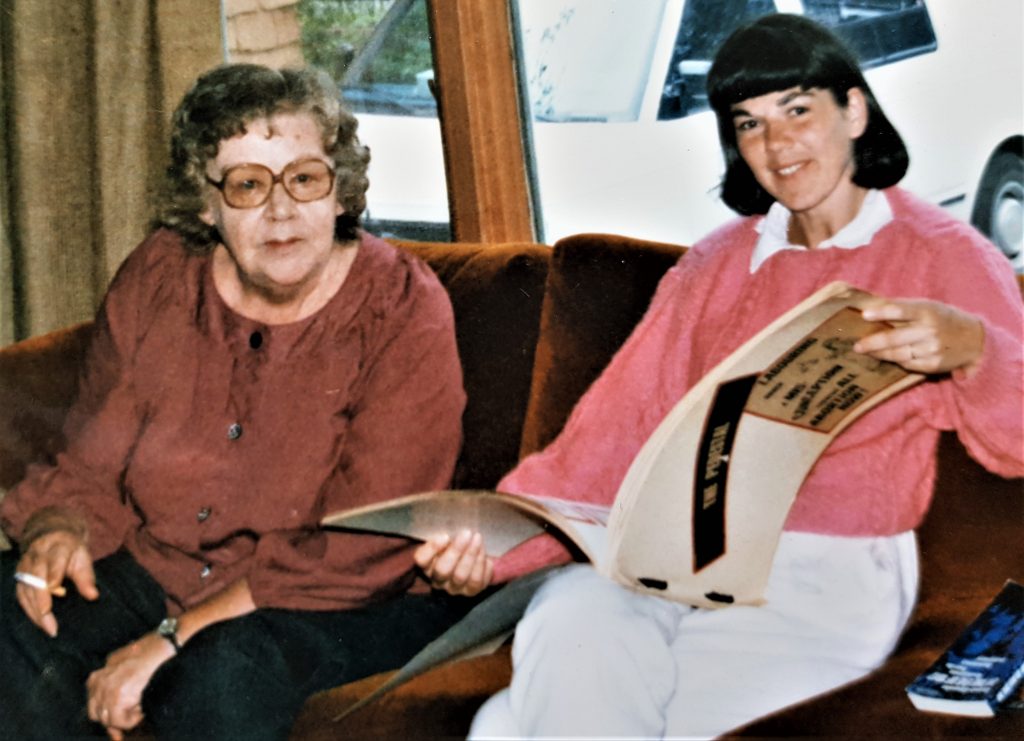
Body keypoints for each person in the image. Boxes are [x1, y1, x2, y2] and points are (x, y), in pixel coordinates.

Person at [415, 13, 1024, 738]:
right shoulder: (714, 264)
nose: (778, 144)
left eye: (798, 109)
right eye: (749, 123)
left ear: (855, 110)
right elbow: (607, 440)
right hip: (675, 556)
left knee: (505, 727)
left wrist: (973, 349)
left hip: (824, 575)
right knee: (571, 609)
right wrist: (492, 544)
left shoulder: (941, 252)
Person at [0, 64, 473, 740]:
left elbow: (367, 542)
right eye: (248, 184)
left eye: (304, 178)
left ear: (339, 190)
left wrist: (171, 636)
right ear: (206, 203)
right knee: (12, 615)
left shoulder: (401, 309)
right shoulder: (161, 278)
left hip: (339, 598)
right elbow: (92, 458)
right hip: (164, 566)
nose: (281, 210)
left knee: (220, 675)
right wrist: (58, 527)